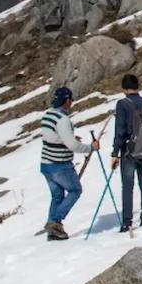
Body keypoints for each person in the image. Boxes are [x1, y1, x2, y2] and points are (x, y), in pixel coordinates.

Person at [39, 86, 99, 240]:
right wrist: (90, 148)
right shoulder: (63, 120)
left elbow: (52, 137)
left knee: (57, 196)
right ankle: (54, 222)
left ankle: (54, 232)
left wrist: (69, 138)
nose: (72, 102)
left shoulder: (48, 115)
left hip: (46, 164)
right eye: (71, 99)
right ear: (66, 100)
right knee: (75, 190)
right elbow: (73, 146)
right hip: (60, 164)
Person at [111, 74, 142, 231]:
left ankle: (127, 222)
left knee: (127, 186)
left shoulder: (123, 104)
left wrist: (115, 152)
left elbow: (120, 130)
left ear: (124, 88)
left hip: (129, 150)